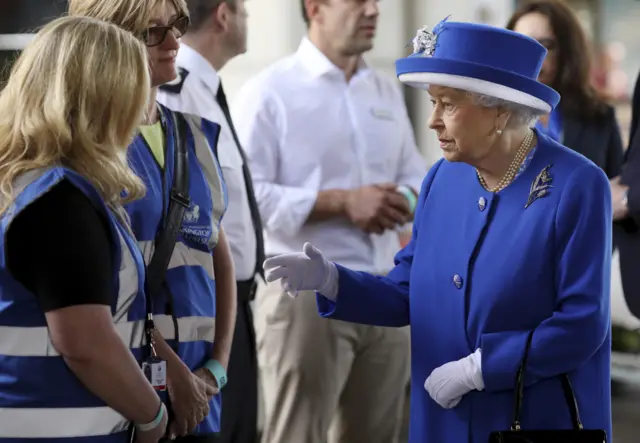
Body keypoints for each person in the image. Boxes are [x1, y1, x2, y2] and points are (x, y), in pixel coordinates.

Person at [263, 19, 613, 443]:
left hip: (529, 420)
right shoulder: (441, 180)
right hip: (441, 423)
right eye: (433, 102)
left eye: (447, 104)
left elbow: (582, 324)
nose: (432, 121)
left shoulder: (577, 184)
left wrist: (480, 369)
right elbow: (408, 291)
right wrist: (333, 281)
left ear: (499, 110)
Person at [232, 1, 426, 442]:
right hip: (303, 297)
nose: (374, 10)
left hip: (384, 291)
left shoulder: (385, 91)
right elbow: (246, 196)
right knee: (297, 435)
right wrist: (343, 202)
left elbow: (416, 175)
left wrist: (404, 199)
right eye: (359, 1)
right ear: (315, 6)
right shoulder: (269, 91)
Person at [68, 1, 236, 441]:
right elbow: (91, 295)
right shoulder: (86, 144)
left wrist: (216, 368)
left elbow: (218, 255)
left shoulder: (195, 135)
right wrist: (174, 373)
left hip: (201, 396)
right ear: (109, 39)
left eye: (177, 26)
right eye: (153, 32)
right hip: (128, 399)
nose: (175, 42)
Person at [0, 15, 169, 443]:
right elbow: (86, 342)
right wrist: (151, 416)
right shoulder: (59, 201)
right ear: (105, 100)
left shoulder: (25, 185)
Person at [156, 1, 261, 442]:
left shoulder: (206, 89)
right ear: (223, 14)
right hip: (192, 311)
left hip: (231, 310)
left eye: (175, 27)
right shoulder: (172, 92)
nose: (172, 41)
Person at [506, 0, 623, 179]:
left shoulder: (599, 117)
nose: (533, 56)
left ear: (567, 51)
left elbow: (616, 185)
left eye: (547, 45)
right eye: (523, 44)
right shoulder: (491, 113)